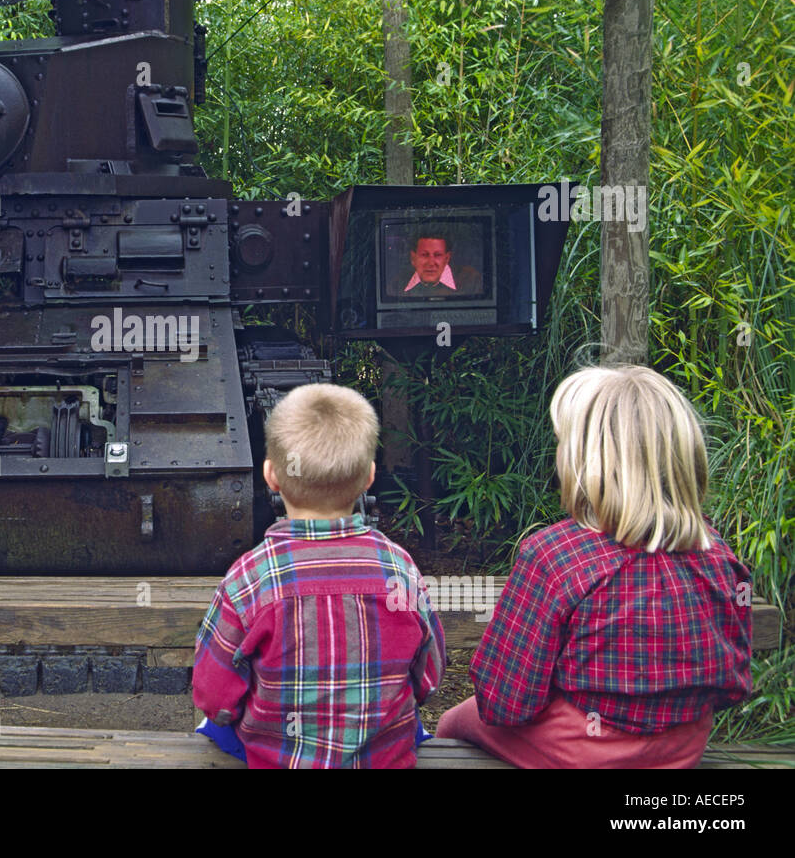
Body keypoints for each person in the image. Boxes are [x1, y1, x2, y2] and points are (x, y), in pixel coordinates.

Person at [436, 365, 753, 768]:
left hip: (584, 750)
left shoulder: (555, 554)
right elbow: (732, 686)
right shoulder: (718, 555)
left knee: (453, 720)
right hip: (683, 746)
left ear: (582, 460)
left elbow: (505, 702)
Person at [193, 383, 446, 768]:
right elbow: (428, 676)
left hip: (279, 757)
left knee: (209, 727)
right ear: (369, 477)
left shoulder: (250, 576)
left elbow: (214, 696)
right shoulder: (399, 568)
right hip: (382, 756)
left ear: (271, 475)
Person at [388, 233, 482, 297]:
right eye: (424, 255)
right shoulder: (397, 285)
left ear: (447, 258)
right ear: (413, 258)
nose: (431, 263)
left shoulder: (471, 280)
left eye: (438, 255)